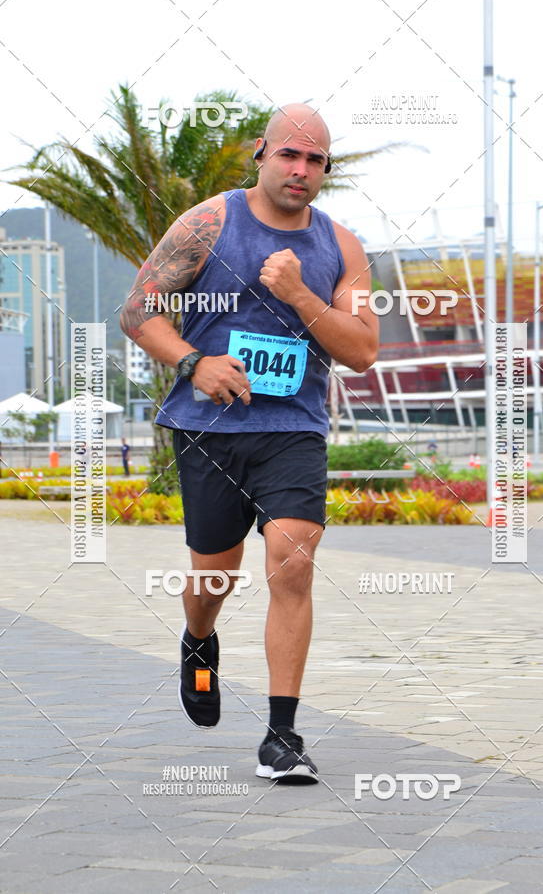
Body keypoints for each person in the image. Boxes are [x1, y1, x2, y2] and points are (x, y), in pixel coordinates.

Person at [119, 103, 378, 784]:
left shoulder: (343, 248)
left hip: (292, 429)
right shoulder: (208, 223)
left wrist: (301, 297)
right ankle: (199, 639)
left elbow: (362, 352)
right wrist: (193, 363)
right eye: (289, 155)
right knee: (215, 576)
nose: (300, 170)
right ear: (260, 154)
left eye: (315, 160)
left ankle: (281, 736)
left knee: (292, 563)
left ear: (325, 170)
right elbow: (138, 311)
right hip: (209, 429)